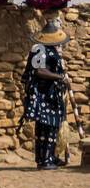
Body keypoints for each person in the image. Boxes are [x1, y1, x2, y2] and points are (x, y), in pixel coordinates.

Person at [20, 20, 71, 169]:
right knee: (45, 126)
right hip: (42, 94)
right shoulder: (39, 49)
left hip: (51, 94)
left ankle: (51, 157)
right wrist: (60, 77)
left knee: (53, 125)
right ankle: (44, 161)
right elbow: (39, 71)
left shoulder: (50, 49)